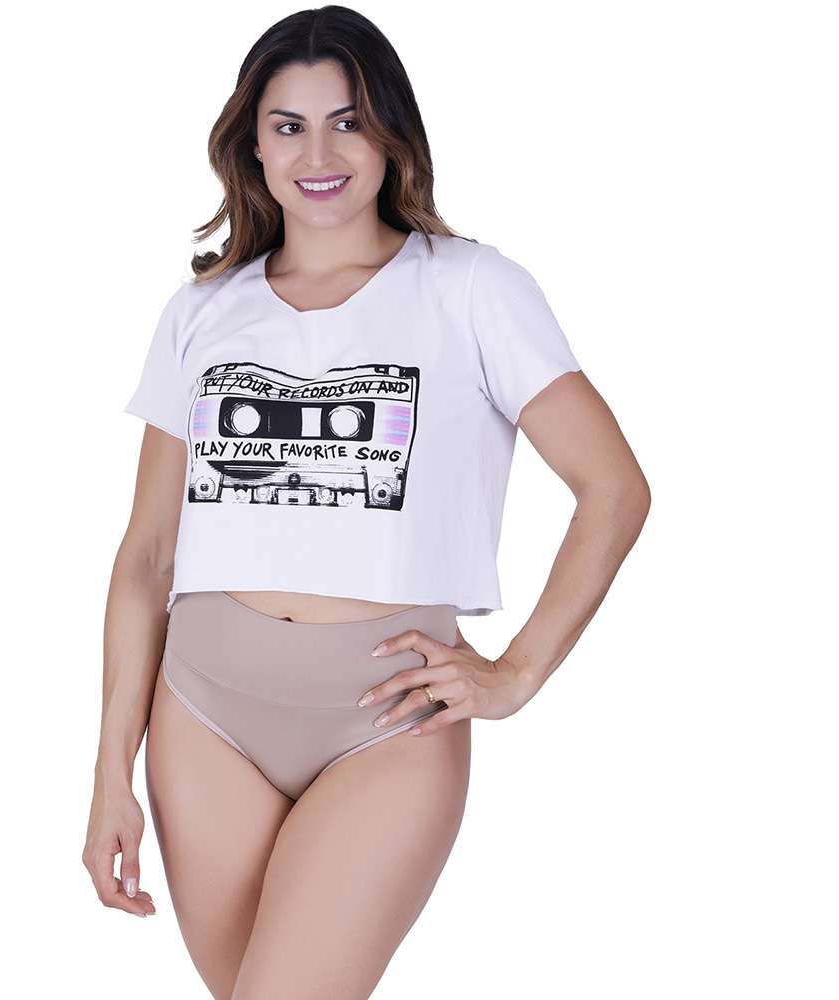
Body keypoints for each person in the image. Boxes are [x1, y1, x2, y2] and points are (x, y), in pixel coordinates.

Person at [83, 6, 650, 998]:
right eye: (289, 125)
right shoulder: (203, 309)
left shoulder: (471, 288)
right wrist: (107, 775)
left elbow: (614, 488)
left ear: (391, 132)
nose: (319, 154)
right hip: (203, 714)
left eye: (347, 122)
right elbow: (146, 557)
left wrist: (516, 673)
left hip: (386, 723)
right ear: (253, 146)